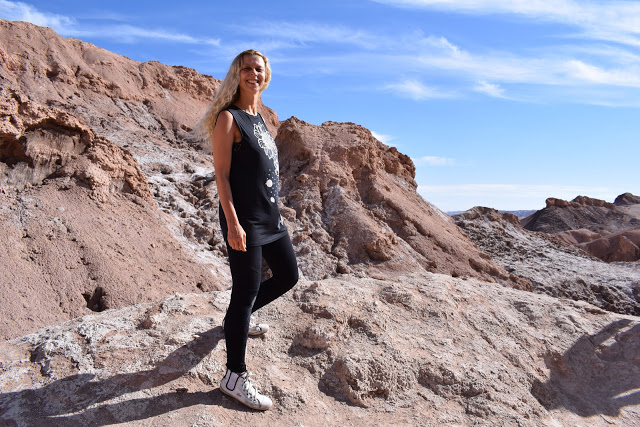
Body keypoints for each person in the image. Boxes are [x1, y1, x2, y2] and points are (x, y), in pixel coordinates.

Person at [201, 49, 299, 411]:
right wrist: (233, 223)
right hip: (244, 220)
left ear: (266, 76)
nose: (253, 74)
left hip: (270, 219)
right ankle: (234, 377)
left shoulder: (260, 118)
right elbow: (222, 175)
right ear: (236, 74)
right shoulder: (229, 119)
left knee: (288, 275)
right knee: (246, 291)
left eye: (258, 69)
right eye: (246, 69)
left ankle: (235, 322)